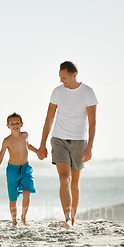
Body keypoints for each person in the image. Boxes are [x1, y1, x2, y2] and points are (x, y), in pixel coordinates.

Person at [37, 61, 98, 229]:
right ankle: (67, 218)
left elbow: (92, 122)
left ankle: (73, 218)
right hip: (59, 139)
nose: (61, 81)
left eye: (64, 77)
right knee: (64, 178)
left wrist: (90, 146)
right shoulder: (57, 92)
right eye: (60, 77)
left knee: (74, 182)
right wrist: (42, 144)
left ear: (74, 75)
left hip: (79, 140)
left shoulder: (88, 92)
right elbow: (49, 119)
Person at [0, 112, 39, 226]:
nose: (15, 125)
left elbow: (28, 145)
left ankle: (23, 217)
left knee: (27, 193)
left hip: (25, 169)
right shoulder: (7, 141)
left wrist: (38, 151)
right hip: (12, 171)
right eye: (12, 123)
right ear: (8, 126)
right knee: (13, 198)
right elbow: (0, 157)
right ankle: (14, 221)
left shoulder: (25, 135)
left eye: (17, 123)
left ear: (21, 124)